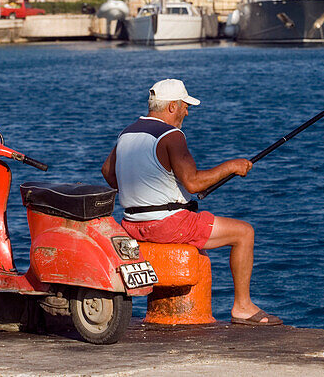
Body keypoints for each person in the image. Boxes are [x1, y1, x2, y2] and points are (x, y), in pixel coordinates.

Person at [101, 79, 282, 326]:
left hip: (131, 223)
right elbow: (194, 183)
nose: (187, 111)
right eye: (185, 106)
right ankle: (243, 306)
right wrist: (231, 166)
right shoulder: (171, 135)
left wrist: (142, 192)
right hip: (168, 225)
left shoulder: (128, 132)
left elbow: (107, 172)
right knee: (244, 233)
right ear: (172, 107)